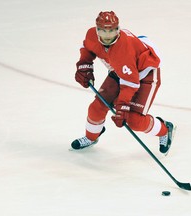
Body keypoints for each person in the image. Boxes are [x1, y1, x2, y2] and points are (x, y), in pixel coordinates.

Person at [71, 11, 175, 155]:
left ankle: (165, 129)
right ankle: (91, 137)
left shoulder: (123, 49)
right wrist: (85, 65)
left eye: (112, 30)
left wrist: (122, 107)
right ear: (97, 30)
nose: (108, 35)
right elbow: (87, 48)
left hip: (146, 74)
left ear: (118, 29)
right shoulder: (92, 35)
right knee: (96, 108)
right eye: (103, 30)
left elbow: (130, 83)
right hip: (121, 70)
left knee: (134, 121)